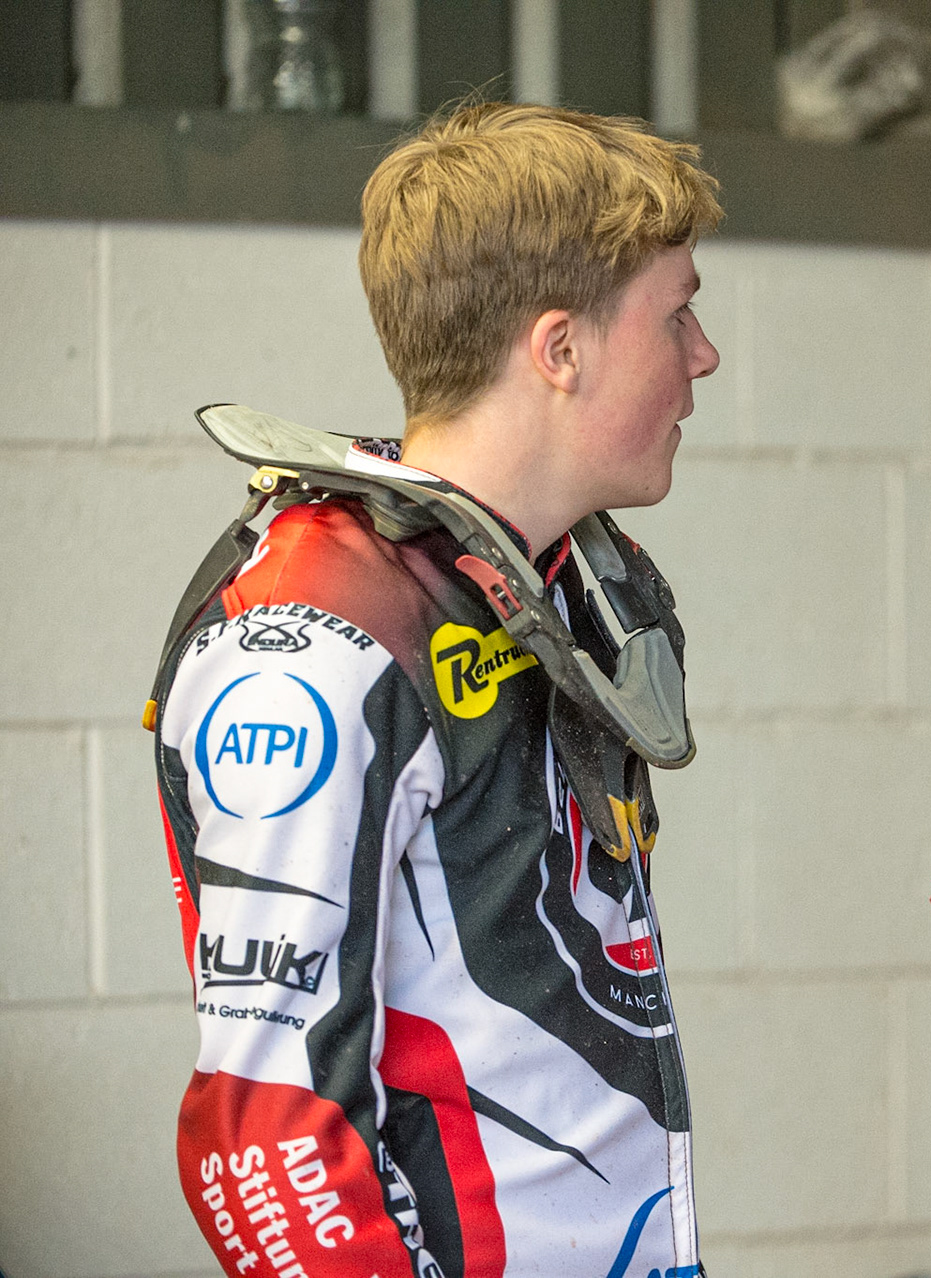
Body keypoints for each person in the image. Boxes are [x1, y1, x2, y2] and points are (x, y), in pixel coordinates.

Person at [148, 102, 721, 1277]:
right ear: (560, 350)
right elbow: (262, 1130)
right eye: (679, 315)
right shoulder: (312, 641)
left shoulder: (557, 582)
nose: (704, 355)